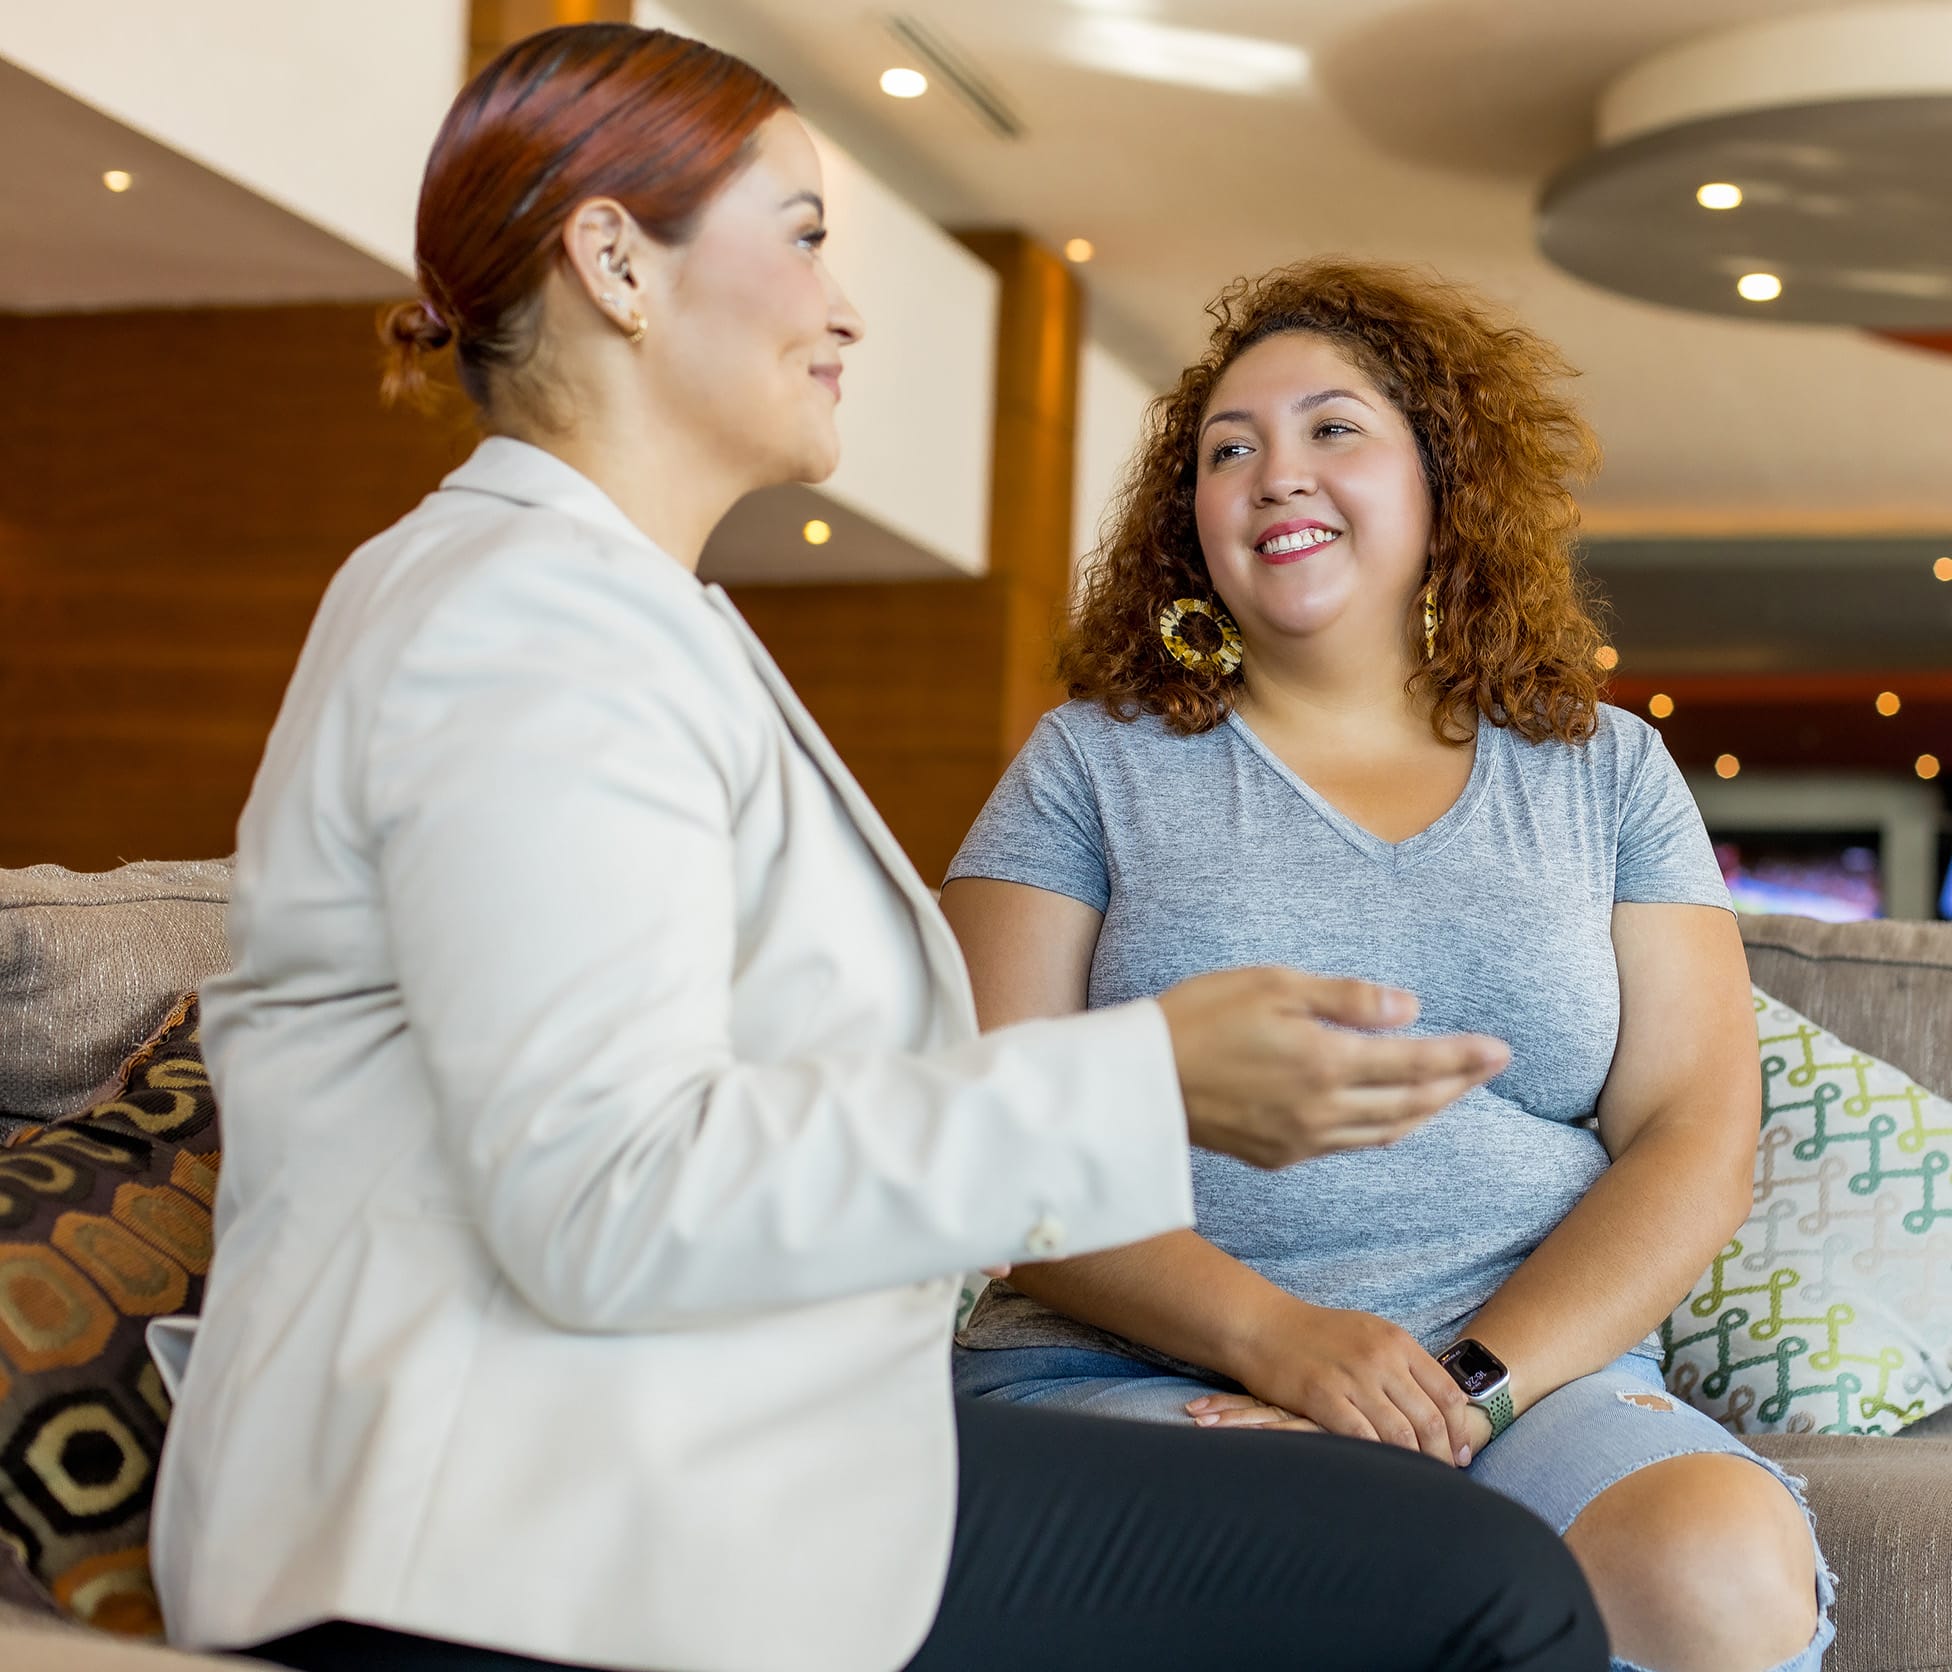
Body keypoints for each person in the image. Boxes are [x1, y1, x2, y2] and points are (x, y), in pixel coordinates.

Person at [147, 25, 1607, 1672]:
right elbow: (609, 1200)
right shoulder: (522, 623)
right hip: (511, 1533)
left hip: (665, 1467)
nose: (847, 309)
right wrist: (1146, 1083)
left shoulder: (617, 616)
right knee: (1484, 1591)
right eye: (807, 236)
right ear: (617, 262)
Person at [942, 258, 1836, 1672]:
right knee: (1328, 1575)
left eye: (1331, 429)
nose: (1273, 472)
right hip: (1140, 1374)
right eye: (1229, 450)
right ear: (1195, 521)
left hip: (1529, 1374)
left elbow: (1694, 1135)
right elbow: (993, 1130)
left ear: (1443, 482)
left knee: (1715, 1568)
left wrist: (1464, 1388)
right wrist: (1283, 1342)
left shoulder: (1607, 772)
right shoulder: (1088, 763)